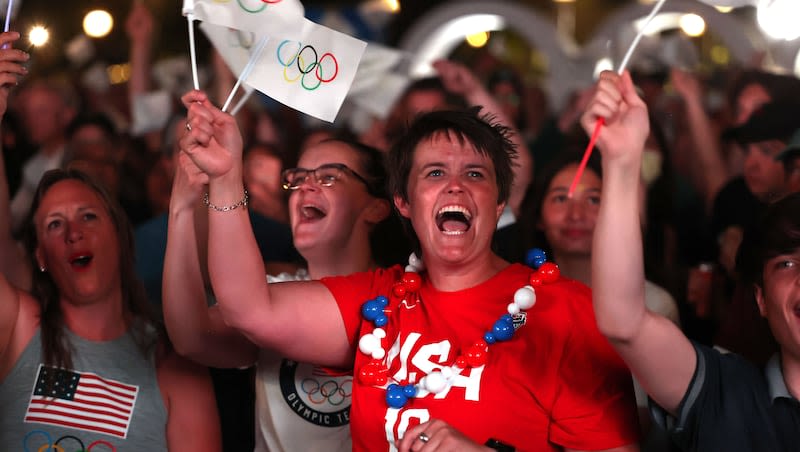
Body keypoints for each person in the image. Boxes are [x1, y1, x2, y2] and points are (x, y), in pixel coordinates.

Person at [177, 88, 639, 451]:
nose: (455, 185)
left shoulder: (565, 311)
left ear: (499, 205)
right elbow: (246, 308)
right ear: (404, 203)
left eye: (475, 174)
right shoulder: (377, 301)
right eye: (434, 173)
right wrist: (225, 175)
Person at [0, 31, 221, 450]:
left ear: (120, 238)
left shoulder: (173, 366)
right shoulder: (16, 327)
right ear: (41, 256)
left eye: (87, 216)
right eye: (53, 225)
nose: (73, 232)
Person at [587, 69, 800, 451]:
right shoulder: (724, 393)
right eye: (786, 263)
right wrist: (622, 162)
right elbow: (624, 321)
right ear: (761, 300)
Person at [163, 137, 392, 452]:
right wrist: (181, 208)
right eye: (298, 178)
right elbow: (192, 337)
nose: (306, 187)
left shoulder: (405, 297)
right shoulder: (267, 293)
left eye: (329, 176)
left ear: (376, 207)